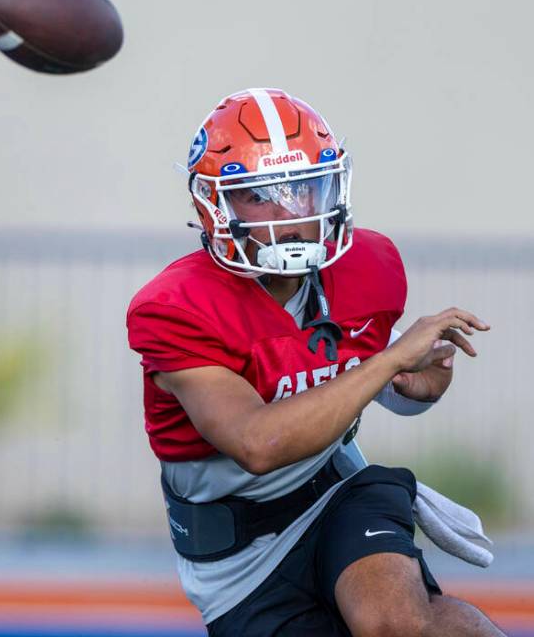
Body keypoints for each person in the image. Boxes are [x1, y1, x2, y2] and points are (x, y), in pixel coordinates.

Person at [126, 88, 503, 636]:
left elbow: (359, 368)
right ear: (213, 205)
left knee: (396, 623)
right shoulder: (176, 308)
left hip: (338, 492)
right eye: (261, 196)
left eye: (304, 189)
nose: (291, 214)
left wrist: (411, 383)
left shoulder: (364, 268)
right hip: (241, 561)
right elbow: (259, 444)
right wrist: (389, 359)